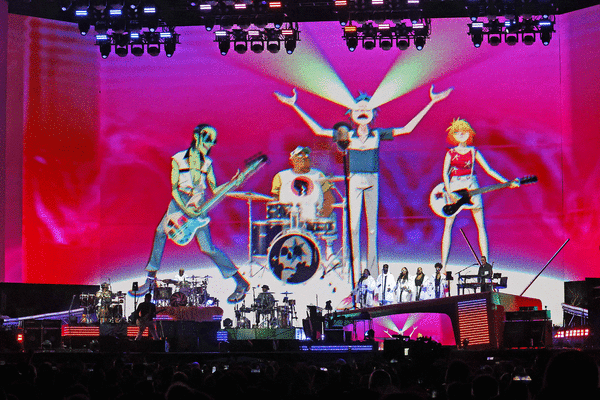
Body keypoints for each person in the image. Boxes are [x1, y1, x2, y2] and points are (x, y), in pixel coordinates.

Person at [274, 86, 453, 279]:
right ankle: (354, 270)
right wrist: (295, 106)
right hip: (354, 180)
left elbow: (407, 129)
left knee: (372, 228)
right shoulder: (348, 135)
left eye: (366, 109)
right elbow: (318, 130)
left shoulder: (377, 134)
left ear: (373, 113)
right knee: (353, 228)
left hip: (372, 180)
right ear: (351, 114)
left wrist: (431, 102)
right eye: (358, 109)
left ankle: (373, 272)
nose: (362, 112)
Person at [131, 124, 250, 304]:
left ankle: (241, 282)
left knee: (207, 247)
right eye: (208, 138)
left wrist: (232, 183)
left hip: (198, 203)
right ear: (197, 136)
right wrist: (184, 209)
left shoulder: (208, 163)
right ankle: (150, 280)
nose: (211, 143)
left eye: (214, 140)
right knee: (160, 232)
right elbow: (174, 189)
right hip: (179, 201)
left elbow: (214, 189)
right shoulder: (178, 159)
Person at [440, 118, 519, 271]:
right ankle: (443, 266)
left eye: (463, 131)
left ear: (469, 133)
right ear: (453, 135)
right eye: (457, 132)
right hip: (455, 187)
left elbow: (489, 170)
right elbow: (445, 173)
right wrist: (449, 191)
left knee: (480, 226)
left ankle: (485, 264)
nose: (461, 134)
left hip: (472, 186)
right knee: (448, 226)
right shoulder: (450, 153)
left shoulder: (473, 152)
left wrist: (507, 182)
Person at [271, 146, 339, 267]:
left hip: (314, 215)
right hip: (289, 217)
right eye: (300, 155)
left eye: (307, 155)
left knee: (332, 215)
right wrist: (285, 211)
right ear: (292, 160)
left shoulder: (318, 174)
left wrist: (324, 212)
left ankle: (329, 252)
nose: (305, 157)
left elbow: (329, 198)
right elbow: (274, 200)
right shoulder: (281, 176)